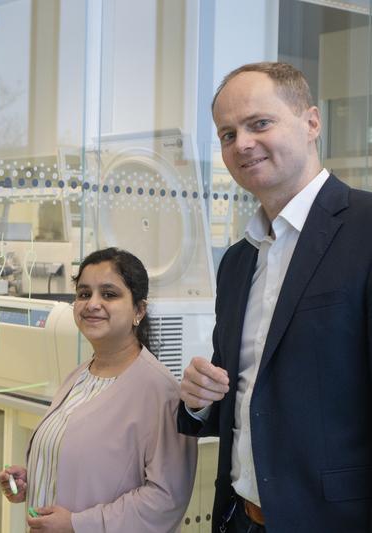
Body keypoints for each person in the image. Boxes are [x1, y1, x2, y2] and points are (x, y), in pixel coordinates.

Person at [178, 61, 372, 532]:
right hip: (242, 519)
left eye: (259, 123)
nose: (241, 143)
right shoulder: (238, 261)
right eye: (227, 134)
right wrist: (200, 401)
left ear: (311, 123)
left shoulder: (365, 230)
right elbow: (247, 395)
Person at [0, 248, 197, 532]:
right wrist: (37, 478)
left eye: (109, 294)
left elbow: (166, 500)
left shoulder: (159, 391)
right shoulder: (80, 375)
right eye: (83, 293)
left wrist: (78, 524)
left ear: (139, 310)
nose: (92, 304)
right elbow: (95, 468)